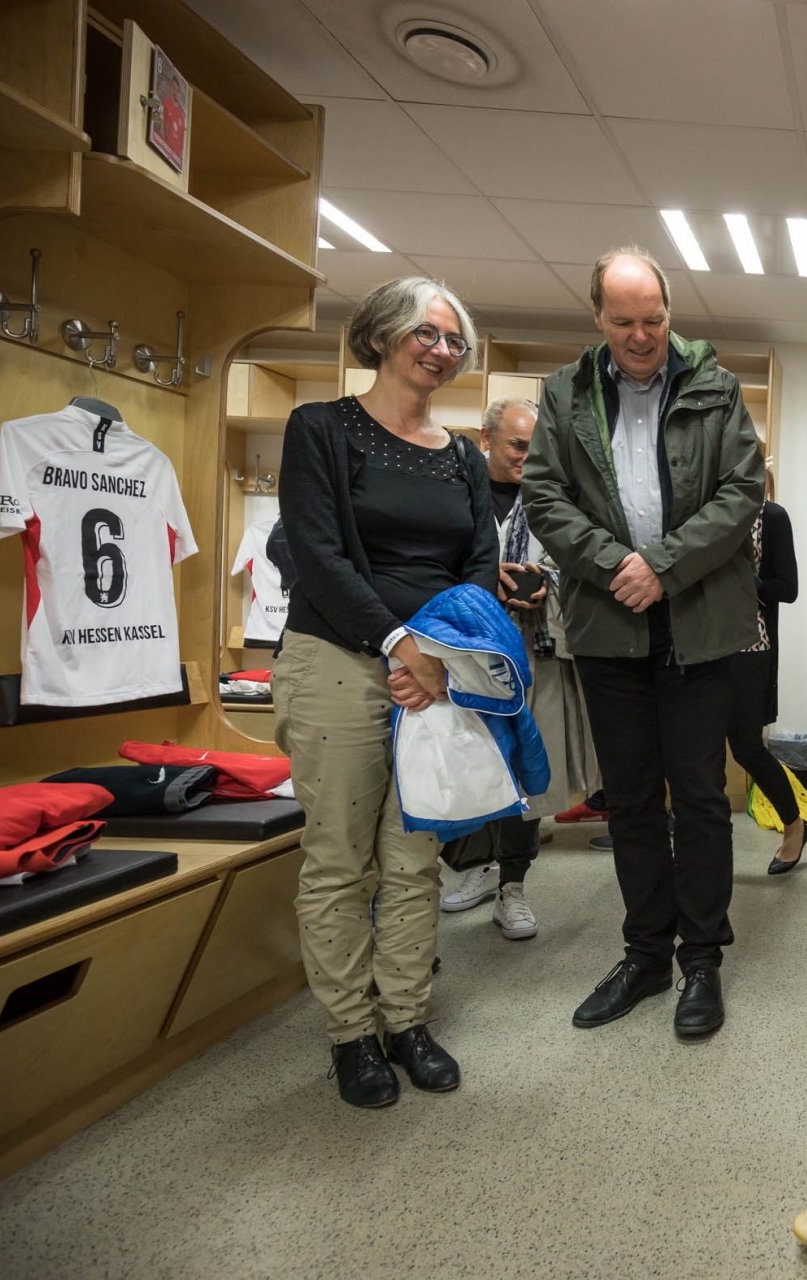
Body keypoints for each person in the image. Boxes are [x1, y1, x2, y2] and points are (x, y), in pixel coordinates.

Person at [522, 245, 765, 1039]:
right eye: (623, 321)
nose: (640, 335)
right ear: (597, 316)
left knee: (698, 796)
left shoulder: (716, 386)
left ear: (670, 313)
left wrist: (661, 566)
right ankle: (647, 954)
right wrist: (615, 565)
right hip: (608, 621)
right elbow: (545, 497)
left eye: (653, 319)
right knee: (628, 798)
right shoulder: (564, 392)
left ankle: (703, 959)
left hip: (697, 619)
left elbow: (742, 492)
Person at [273, 275, 496, 1108]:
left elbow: (478, 563)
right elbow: (317, 554)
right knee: (340, 860)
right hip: (337, 659)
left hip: (433, 674)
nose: (441, 350)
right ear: (381, 334)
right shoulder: (321, 429)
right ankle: (350, 1035)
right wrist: (399, 643)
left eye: (453, 340)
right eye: (425, 333)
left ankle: (406, 1019)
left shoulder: (463, 457)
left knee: (413, 860)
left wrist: (440, 653)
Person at [441, 397, 600, 938]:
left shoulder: (555, 498)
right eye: (517, 445)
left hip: (537, 649)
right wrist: (484, 577)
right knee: (470, 763)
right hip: (464, 649)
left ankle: (513, 885)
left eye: (538, 448)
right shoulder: (457, 494)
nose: (528, 459)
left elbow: (581, 564)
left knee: (526, 772)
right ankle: (479, 866)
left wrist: (544, 581)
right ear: (486, 439)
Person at [727, 478, 806, 874]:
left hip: (750, 648)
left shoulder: (771, 516)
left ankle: (794, 825)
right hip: (701, 648)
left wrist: (750, 582)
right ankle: (709, 848)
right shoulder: (706, 513)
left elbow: (788, 588)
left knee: (746, 748)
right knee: (699, 752)